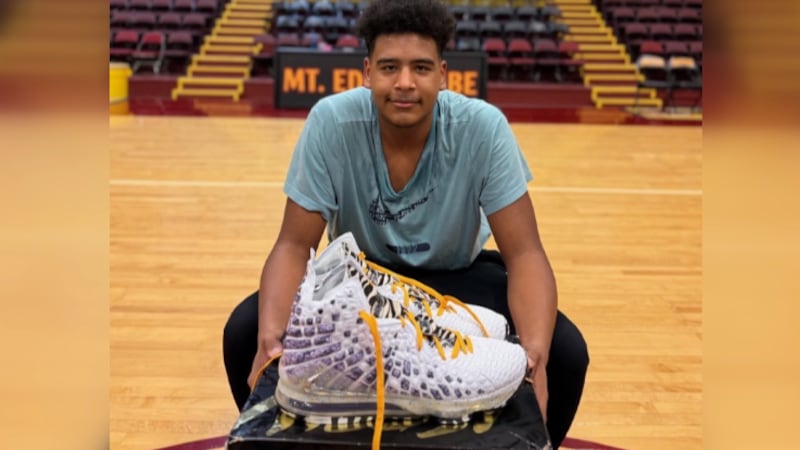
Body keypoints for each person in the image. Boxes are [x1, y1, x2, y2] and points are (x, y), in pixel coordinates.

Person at [223, 0, 589, 447]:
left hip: (459, 280)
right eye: (389, 67)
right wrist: (270, 340)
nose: (404, 83)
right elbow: (293, 247)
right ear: (366, 72)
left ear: (443, 74)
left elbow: (525, 252)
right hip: (364, 281)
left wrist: (536, 355)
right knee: (244, 331)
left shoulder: (483, 128)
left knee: (566, 352)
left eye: (420, 67)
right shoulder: (331, 122)